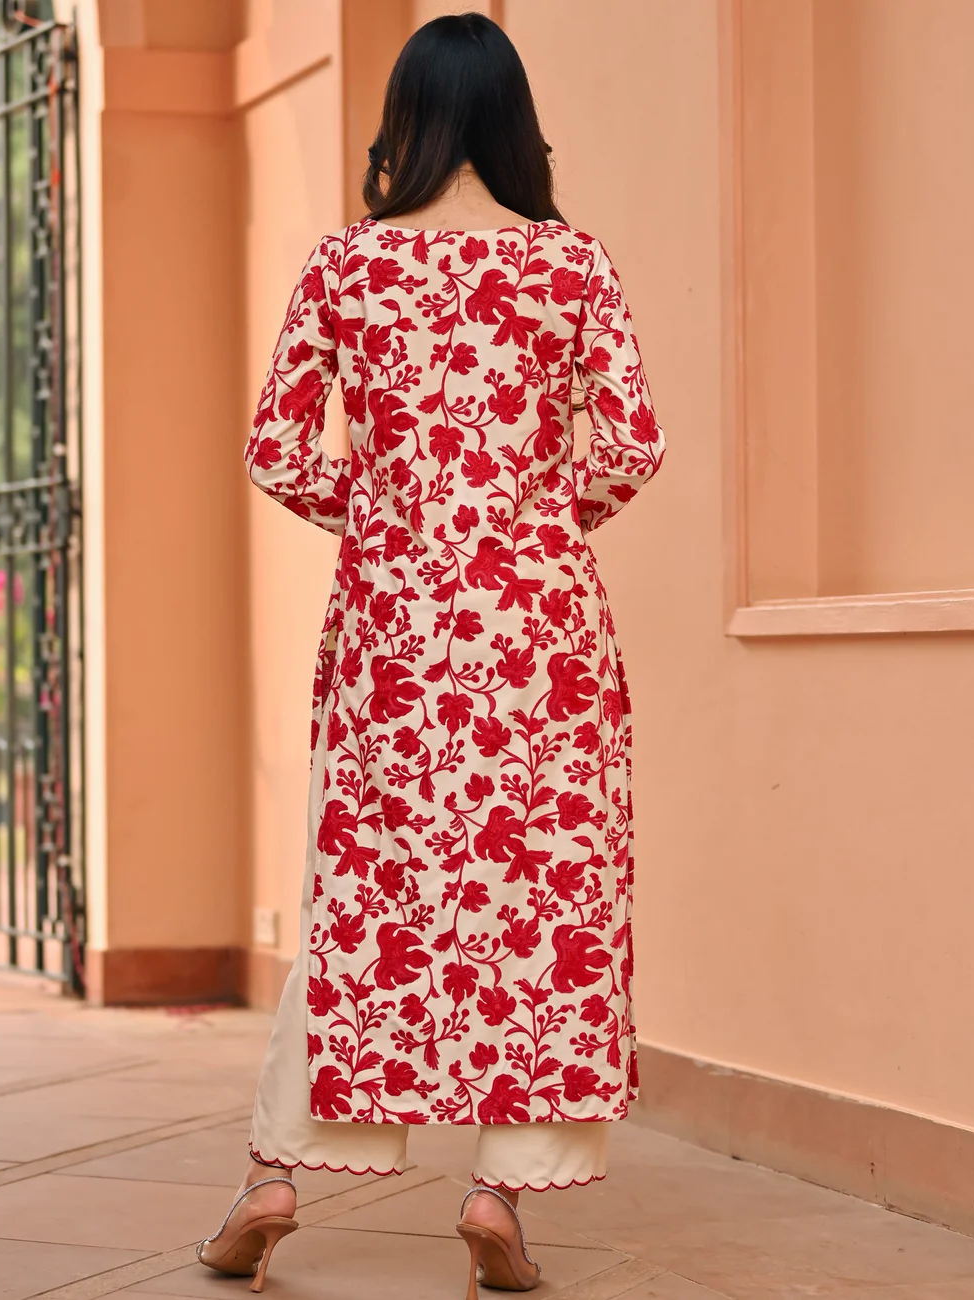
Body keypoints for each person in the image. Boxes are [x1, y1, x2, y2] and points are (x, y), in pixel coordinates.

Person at [197, 11, 665, 1296]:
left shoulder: (347, 269)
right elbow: (626, 445)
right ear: (515, 124)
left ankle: (278, 1171)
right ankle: (499, 1194)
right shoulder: (570, 268)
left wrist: (397, 513)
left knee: (362, 902)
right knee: (550, 911)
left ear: (404, 121)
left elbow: (282, 451)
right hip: (542, 634)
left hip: (395, 638)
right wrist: (520, 521)